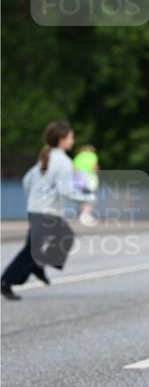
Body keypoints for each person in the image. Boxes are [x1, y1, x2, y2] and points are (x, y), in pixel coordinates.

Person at [1, 121, 96, 300]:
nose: (73, 140)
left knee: (35, 247)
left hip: (36, 209)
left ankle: (27, 270)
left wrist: (33, 199)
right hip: (47, 212)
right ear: (62, 139)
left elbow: (27, 181)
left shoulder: (45, 157)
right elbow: (66, 191)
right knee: (62, 238)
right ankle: (8, 280)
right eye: (71, 137)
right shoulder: (63, 162)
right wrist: (88, 198)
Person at [72, 144, 99, 226]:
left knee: (82, 197)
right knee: (91, 197)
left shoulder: (78, 156)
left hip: (78, 177)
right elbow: (94, 167)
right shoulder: (92, 155)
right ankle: (85, 215)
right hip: (88, 177)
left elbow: (73, 168)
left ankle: (82, 215)